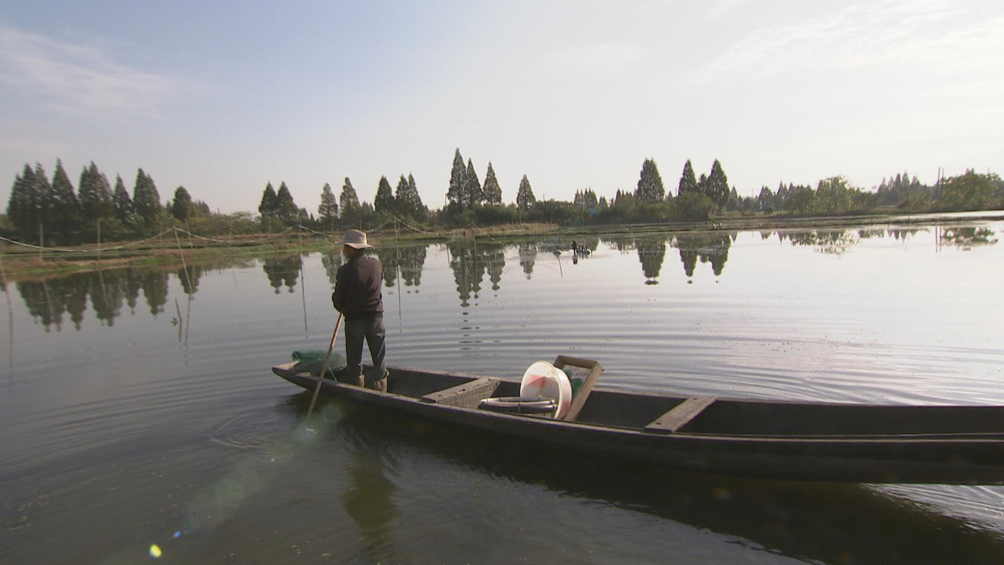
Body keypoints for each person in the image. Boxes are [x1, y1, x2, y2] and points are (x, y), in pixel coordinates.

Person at [331, 229, 389, 392]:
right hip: (376, 319)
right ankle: (381, 393)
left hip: (355, 320)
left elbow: (338, 299)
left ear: (351, 248)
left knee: (354, 362)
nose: (343, 250)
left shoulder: (345, 270)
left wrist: (342, 307)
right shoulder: (377, 264)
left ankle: (358, 392)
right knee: (379, 360)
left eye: (345, 247)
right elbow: (378, 287)